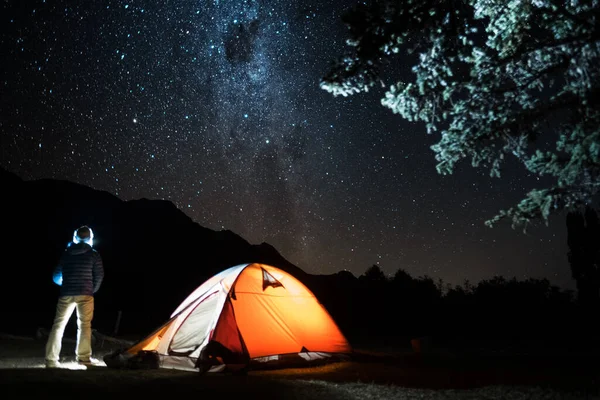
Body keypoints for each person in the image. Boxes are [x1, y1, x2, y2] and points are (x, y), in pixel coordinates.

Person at [45, 225, 104, 368]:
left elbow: (56, 276)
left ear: (75, 237)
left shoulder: (66, 253)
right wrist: (92, 289)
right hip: (85, 293)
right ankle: (83, 358)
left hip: (66, 293)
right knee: (84, 325)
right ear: (90, 237)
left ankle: (51, 360)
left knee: (58, 325)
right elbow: (100, 274)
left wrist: (67, 283)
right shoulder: (93, 254)